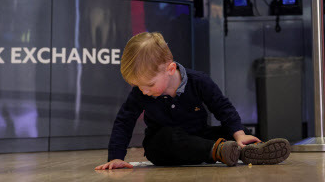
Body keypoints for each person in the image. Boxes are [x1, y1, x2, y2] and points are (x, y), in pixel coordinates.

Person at [95, 32, 291, 169]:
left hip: (199, 137)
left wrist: (239, 134)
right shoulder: (141, 93)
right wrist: (116, 157)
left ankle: (246, 149)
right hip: (166, 146)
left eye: (149, 84)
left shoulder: (199, 81)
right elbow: (124, 122)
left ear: (170, 69)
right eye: (138, 86)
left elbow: (222, 107)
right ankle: (221, 150)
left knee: (237, 131)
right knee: (166, 138)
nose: (144, 91)